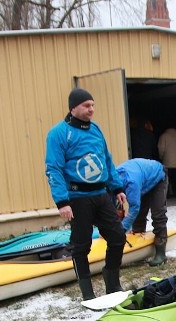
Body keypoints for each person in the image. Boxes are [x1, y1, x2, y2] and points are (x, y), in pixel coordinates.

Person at [45, 87, 128, 301]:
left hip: (101, 194)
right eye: (86, 105)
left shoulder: (96, 129)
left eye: (93, 105)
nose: (91, 109)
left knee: (118, 237)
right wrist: (62, 201)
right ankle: (88, 293)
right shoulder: (58, 133)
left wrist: (117, 187)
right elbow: (54, 167)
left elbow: (106, 159)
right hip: (77, 198)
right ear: (73, 108)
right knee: (82, 246)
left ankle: (112, 283)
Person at [116, 158, 170, 266]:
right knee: (139, 215)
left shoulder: (131, 183)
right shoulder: (112, 183)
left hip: (158, 176)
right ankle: (138, 250)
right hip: (142, 179)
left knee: (158, 214)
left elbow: (134, 208)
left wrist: (121, 230)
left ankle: (161, 253)